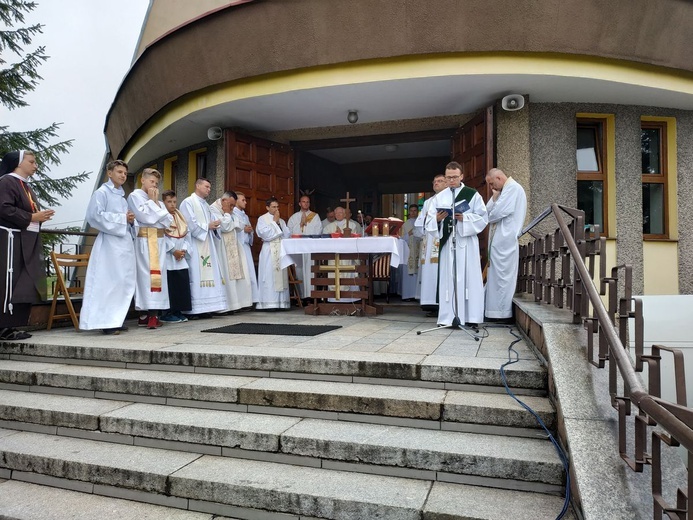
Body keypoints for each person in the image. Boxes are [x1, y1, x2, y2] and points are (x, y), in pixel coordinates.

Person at [0, 150, 54, 340]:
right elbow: (4, 208)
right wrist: (32, 217)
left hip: (24, 240)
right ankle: (3, 327)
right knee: (9, 282)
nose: (35, 165)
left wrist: (39, 217)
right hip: (10, 240)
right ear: (18, 163)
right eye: (31, 161)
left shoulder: (25, 186)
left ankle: (12, 325)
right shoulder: (7, 181)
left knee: (24, 282)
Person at [425, 161, 488, 327]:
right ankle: (448, 317)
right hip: (448, 244)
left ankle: (471, 317)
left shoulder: (472, 194)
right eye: (448, 178)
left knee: (469, 278)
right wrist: (437, 220)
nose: (451, 180)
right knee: (449, 279)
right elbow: (429, 221)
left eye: (454, 177)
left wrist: (465, 218)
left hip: (466, 242)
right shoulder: (440, 197)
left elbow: (483, 218)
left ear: (461, 176)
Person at [79, 159, 136, 335]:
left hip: (123, 244)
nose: (123, 176)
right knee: (108, 282)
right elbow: (94, 216)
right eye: (119, 172)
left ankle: (116, 319)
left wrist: (130, 220)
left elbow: (124, 218)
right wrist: (121, 219)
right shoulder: (101, 193)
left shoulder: (121, 195)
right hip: (109, 245)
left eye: (125, 173)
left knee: (121, 282)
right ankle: (105, 322)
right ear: (109, 173)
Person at [127, 168, 173, 329]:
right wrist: (154, 208)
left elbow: (168, 221)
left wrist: (154, 206)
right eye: (152, 182)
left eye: (157, 183)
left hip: (159, 242)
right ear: (143, 180)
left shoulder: (157, 202)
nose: (154, 186)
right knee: (145, 277)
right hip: (144, 242)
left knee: (158, 277)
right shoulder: (134, 196)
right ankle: (145, 314)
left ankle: (153, 314)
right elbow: (145, 217)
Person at [179, 178, 228, 316]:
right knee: (197, 273)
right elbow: (189, 224)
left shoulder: (206, 205)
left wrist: (215, 225)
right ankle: (195, 309)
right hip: (195, 243)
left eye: (210, 187)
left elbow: (211, 222)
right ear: (198, 185)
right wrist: (208, 226)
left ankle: (207, 308)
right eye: (206, 186)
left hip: (208, 242)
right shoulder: (188, 202)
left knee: (209, 273)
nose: (209, 189)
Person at [484, 168, 527, 321]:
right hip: (498, 242)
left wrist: (494, 203)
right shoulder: (503, 191)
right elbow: (486, 212)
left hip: (505, 242)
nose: (492, 188)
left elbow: (495, 214)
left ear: (499, 178)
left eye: (492, 183)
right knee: (495, 277)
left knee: (503, 279)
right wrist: (494, 201)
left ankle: (502, 314)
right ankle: (493, 312)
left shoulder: (513, 189)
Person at [210, 190, 248, 312]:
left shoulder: (230, 210)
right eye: (231, 205)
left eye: (233, 205)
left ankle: (235, 304)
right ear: (224, 201)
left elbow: (241, 224)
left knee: (235, 277)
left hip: (232, 245)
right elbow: (225, 227)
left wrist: (229, 217)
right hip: (221, 247)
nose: (232, 208)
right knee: (225, 275)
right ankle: (225, 306)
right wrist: (227, 215)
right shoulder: (213, 209)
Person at [415, 173, 447, 314]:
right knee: (429, 272)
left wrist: (436, 220)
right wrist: (433, 219)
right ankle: (430, 304)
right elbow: (419, 223)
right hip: (429, 243)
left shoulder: (449, 198)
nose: (436, 183)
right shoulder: (428, 202)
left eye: (440, 181)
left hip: (442, 241)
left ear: (447, 183)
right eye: (434, 181)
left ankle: (443, 304)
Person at [160, 190, 192, 323]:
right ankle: (168, 313)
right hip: (169, 256)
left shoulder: (180, 216)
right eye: (169, 202)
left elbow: (186, 234)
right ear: (164, 202)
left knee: (181, 284)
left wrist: (183, 250)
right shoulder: (161, 216)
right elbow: (162, 235)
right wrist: (173, 250)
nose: (172, 205)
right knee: (170, 285)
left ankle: (178, 310)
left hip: (180, 257)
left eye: (174, 202)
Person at [256, 197, 290, 310]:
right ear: (267, 207)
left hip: (279, 249)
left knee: (280, 277)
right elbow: (264, 234)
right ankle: (269, 303)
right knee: (269, 276)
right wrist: (275, 223)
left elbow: (286, 234)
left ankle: (281, 303)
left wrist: (279, 223)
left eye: (277, 207)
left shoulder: (282, 220)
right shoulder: (262, 219)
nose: (276, 209)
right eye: (273, 207)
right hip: (268, 251)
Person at [287, 195, 322, 299]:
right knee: (299, 271)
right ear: (299, 203)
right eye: (303, 202)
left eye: (307, 202)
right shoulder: (294, 217)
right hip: (298, 248)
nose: (305, 204)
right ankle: (301, 296)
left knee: (310, 271)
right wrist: (301, 224)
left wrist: (306, 225)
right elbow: (289, 232)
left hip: (310, 248)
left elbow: (318, 231)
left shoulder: (315, 216)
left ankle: (312, 295)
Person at [233, 191, 259, 307]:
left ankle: (250, 300)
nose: (246, 202)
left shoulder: (245, 215)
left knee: (249, 274)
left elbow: (249, 231)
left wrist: (249, 231)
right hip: (238, 246)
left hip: (246, 247)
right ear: (236, 200)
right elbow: (232, 230)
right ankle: (242, 301)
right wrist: (244, 231)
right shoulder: (232, 213)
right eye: (243, 200)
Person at [400, 203, 421, 301]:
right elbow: (401, 239)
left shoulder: (420, 223)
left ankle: (418, 295)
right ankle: (408, 295)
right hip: (408, 252)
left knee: (418, 273)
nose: (413, 213)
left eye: (415, 211)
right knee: (408, 274)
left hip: (419, 251)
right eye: (411, 211)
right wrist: (408, 234)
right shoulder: (405, 224)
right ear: (409, 212)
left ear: (418, 212)